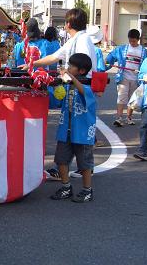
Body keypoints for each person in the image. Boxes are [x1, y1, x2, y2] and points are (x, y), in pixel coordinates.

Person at [49, 53, 96, 203]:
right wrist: (57, 87)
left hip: (82, 132)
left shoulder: (87, 86)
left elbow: (84, 92)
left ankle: (87, 190)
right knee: (61, 160)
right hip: (65, 129)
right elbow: (56, 102)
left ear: (81, 71)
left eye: (71, 66)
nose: (68, 68)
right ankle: (66, 187)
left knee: (85, 163)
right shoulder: (66, 84)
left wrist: (70, 77)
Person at [19, 9, 97, 77]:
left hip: (83, 85)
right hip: (78, 83)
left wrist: (66, 72)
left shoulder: (82, 39)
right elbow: (53, 57)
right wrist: (30, 65)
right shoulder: (76, 39)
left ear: (68, 24)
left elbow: (83, 65)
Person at [106, 29, 147, 127]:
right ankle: (119, 118)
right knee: (121, 97)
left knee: (132, 99)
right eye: (130, 40)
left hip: (136, 79)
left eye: (134, 41)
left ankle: (129, 117)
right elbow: (111, 56)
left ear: (138, 39)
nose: (132, 43)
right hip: (123, 77)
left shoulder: (143, 51)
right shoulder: (122, 49)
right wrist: (106, 61)